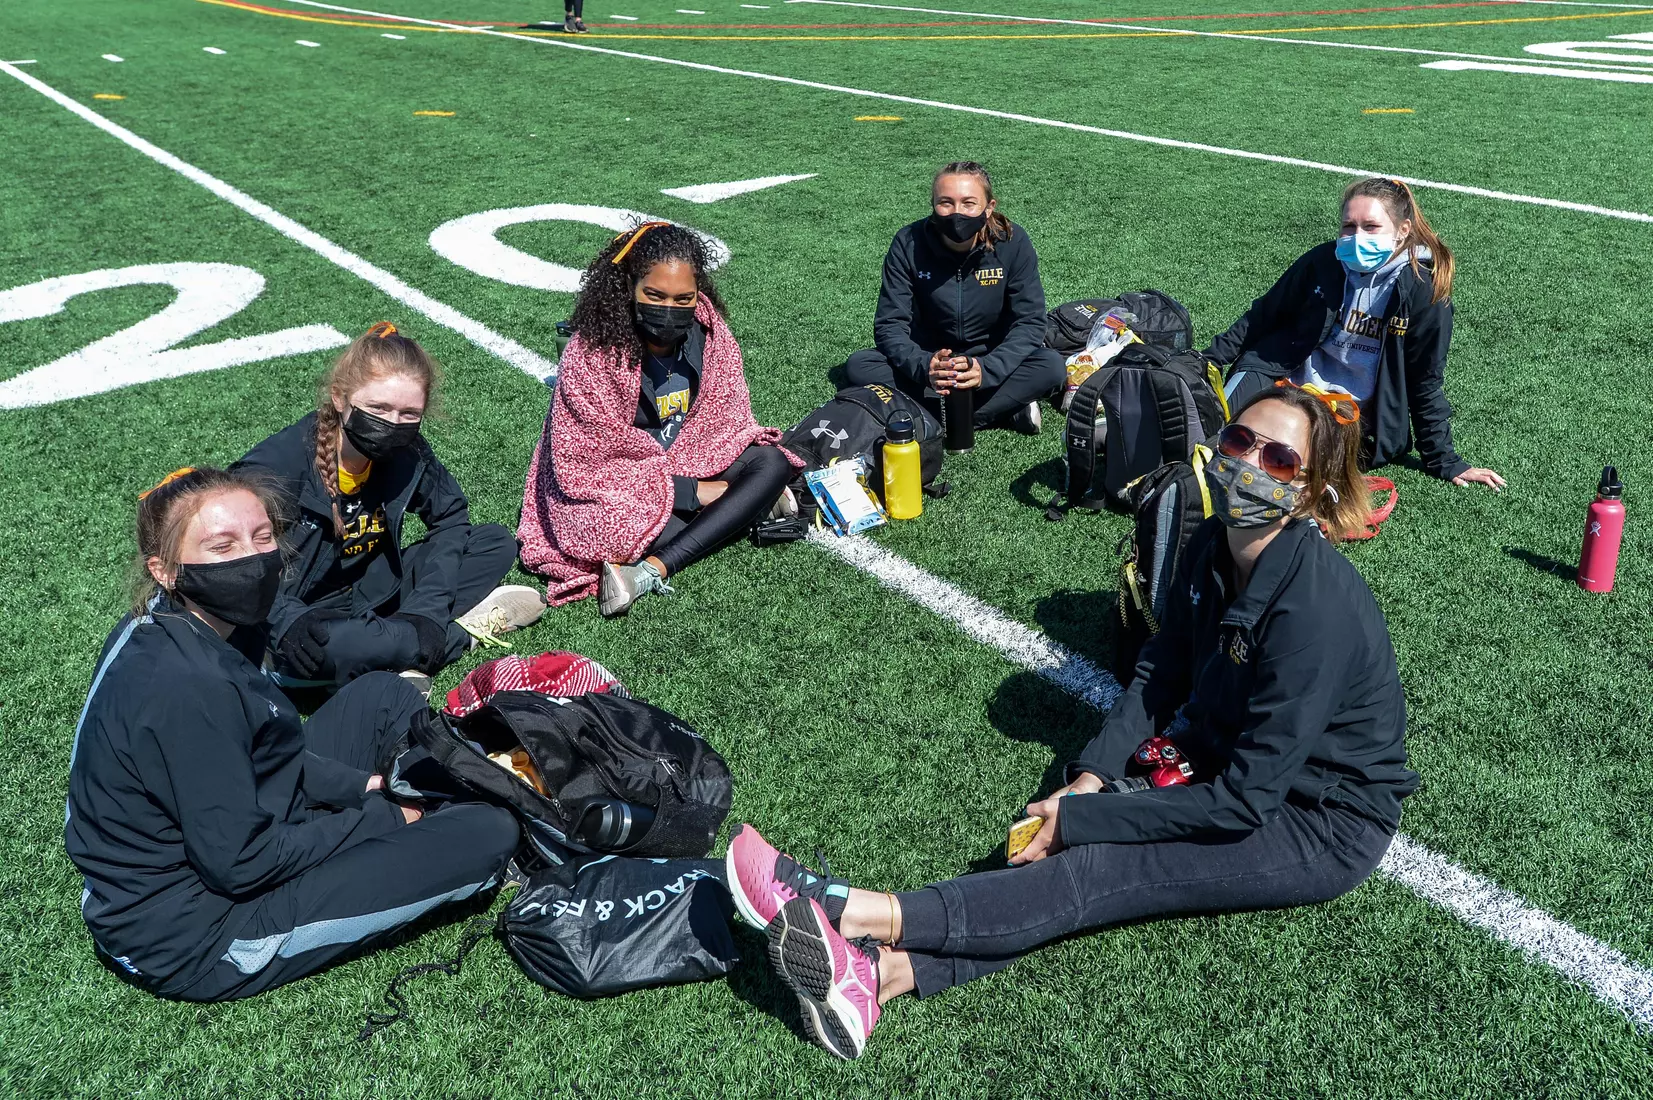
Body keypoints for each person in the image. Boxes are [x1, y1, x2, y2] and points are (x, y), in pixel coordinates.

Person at [724, 385, 1418, 1060]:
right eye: (1240, 440)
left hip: (1317, 819)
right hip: (1221, 756)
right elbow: (1158, 676)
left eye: (1278, 459)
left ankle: (848, 910)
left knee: (1104, 865)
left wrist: (1081, 820)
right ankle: (879, 978)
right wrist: (1086, 780)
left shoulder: (1314, 610)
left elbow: (1246, 799)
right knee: (1065, 834)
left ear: (1305, 492)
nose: (1247, 463)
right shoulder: (1214, 541)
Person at [64, 466, 519, 1002]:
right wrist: (388, 816)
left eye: (262, 537)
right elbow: (240, 864)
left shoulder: (176, 622)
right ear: (165, 570)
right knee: (488, 833)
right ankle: (486, 811)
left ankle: (455, 790)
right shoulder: (186, 686)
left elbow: (258, 752)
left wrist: (360, 788)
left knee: (379, 695)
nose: (254, 560)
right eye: (222, 546)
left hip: (228, 830)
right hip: (198, 934)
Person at [234, 322, 544, 695]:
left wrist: (426, 611)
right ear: (339, 398)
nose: (392, 425)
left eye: (409, 414)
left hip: (369, 592)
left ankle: (396, 646)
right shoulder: (273, 469)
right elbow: (235, 572)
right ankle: (455, 637)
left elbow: (450, 518)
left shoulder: (408, 452)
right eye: (378, 408)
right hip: (301, 612)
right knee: (328, 647)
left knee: (494, 543)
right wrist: (286, 621)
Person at [517, 222, 803, 617]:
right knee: (610, 530)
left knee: (771, 461)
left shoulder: (710, 333)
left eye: (683, 298)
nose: (669, 309)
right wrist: (693, 493)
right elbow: (587, 466)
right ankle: (741, 509)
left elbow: (724, 420)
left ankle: (648, 572)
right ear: (629, 286)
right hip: (617, 489)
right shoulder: (591, 353)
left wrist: (693, 484)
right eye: (654, 295)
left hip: (689, 458)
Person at [1207, 176, 1504, 490]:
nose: (1356, 236)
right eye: (1348, 226)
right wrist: (1208, 360)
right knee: (1214, 430)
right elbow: (1264, 314)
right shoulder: (1323, 260)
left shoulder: (1423, 292)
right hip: (1284, 376)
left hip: (1345, 409)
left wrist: (1444, 459)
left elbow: (1425, 379)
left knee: (1282, 460)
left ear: (1403, 230)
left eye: (1371, 227)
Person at [842, 160, 1065, 436]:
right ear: (933, 203)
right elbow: (890, 324)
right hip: (929, 357)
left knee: (1051, 366)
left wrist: (987, 369)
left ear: (989, 207)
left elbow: (1030, 321)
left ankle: (926, 416)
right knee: (860, 365)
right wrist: (924, 366)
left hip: (988, 356)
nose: (956, 213)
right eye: (945, 203)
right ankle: (1001, 409)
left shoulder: (1012, 242)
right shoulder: (907, 243)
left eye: (969, 203)